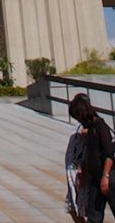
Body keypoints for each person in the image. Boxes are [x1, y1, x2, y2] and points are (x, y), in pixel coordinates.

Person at [69, 93, 115, 223]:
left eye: (78, 117)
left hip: (109, 177)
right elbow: (91, 154)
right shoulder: (90, 129)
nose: (78, 121)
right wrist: (84, 170)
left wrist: (105, 177)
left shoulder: (100, 126)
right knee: (94, 217)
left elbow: (109, 153)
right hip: (95, 178)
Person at [64, 121, 87, 222]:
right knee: (72, 206)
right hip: (74, 171)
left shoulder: (95, 127)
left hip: (84, 174)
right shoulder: (77, 128)